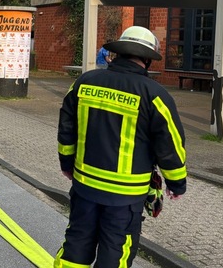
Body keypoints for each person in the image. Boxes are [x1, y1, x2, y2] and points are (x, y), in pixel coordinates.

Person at [55, 25, 187, 267]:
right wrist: (176, 183)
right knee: (115, 251)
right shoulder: (155, 95)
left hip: (85, 186)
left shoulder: (85, 82)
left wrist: (66, 164)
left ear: (119, 53)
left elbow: (66, 129)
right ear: (147, 59)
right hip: (125, 197)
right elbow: (170, 145)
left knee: (77, 243)